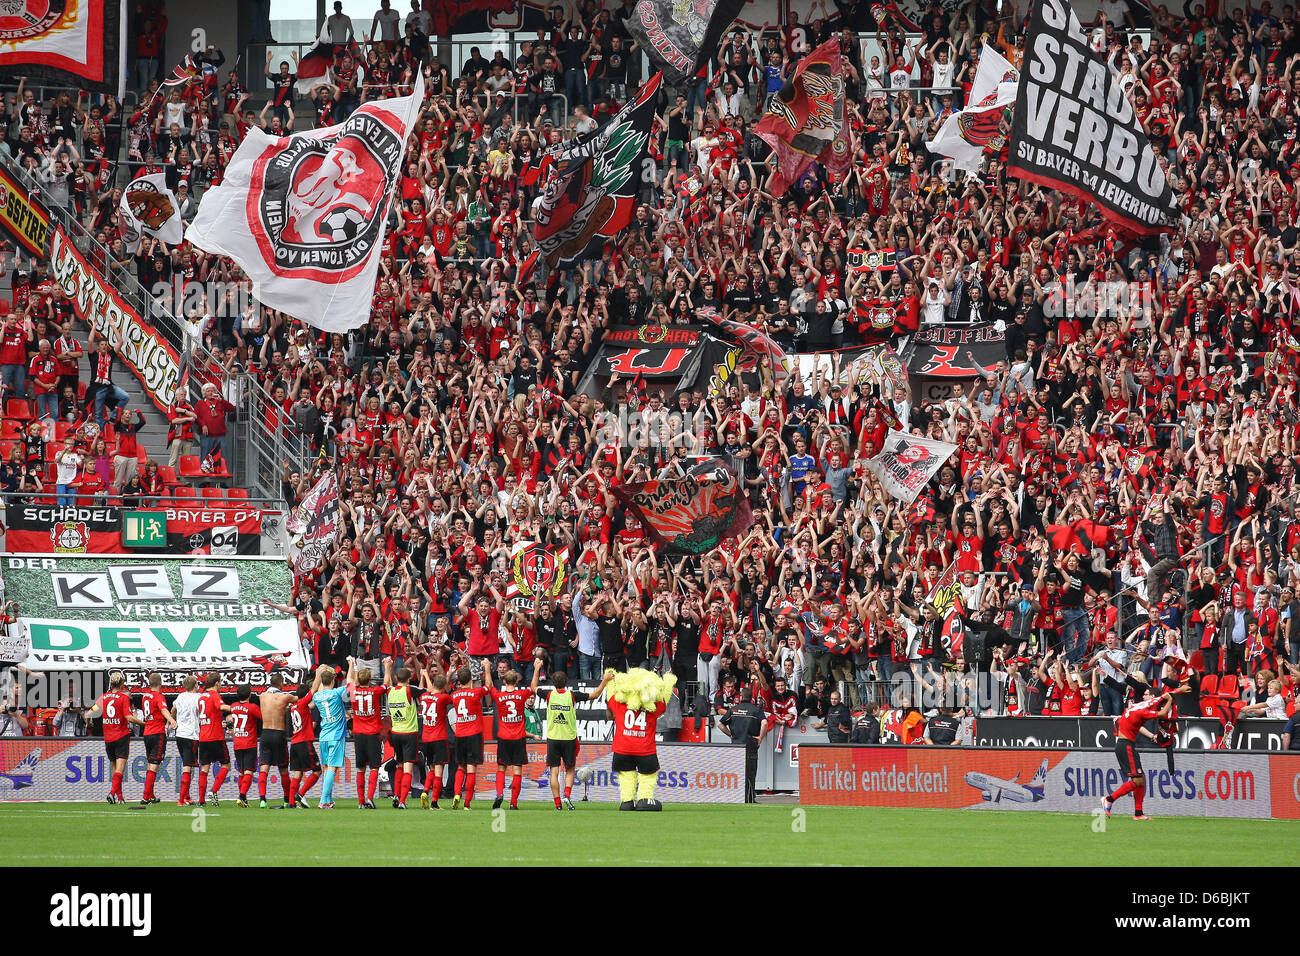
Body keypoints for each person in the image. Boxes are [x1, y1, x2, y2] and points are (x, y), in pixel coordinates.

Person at [531, 652, 610, 810]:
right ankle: (567, 794)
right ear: (566, 683)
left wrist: (537, 669)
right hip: (568, 738)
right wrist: (605, 680)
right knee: (570, 769)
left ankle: (557, 803)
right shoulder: (571, 695)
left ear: (553, 683)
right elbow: (595, 695)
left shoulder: (549, 695)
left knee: (554, 771)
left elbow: (533, 687)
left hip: (553, 738)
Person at [1103, 675, 1188, 820]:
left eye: (1146, 694)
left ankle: (1138, 813)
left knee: (1141, 778)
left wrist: (1176, 692)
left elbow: (1157, 699)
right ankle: (1109, 799)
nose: (1144, 696)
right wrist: (1170, 700)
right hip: (1126, 746)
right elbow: (1162, 712)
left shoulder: (1135, 706)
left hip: (1124, 745)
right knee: (1137, 780)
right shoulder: (1142, 711)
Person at [604, 668, 675, 811]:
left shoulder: (619, 705)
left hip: (622, 749)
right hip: (645, 750)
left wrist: (609, 680)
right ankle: (644, 799)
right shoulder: (653, 708)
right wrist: (668, 682)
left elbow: (610, 695)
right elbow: (664, 699)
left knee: (626, 776)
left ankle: (627, 801)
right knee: (647, 777)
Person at [84, 671, 144, 804]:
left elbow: (89, 713)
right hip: (121, 736)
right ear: (122, 683)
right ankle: (112, 793)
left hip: (108, 738)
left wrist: (89, 724)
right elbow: (129, 718)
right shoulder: (123, 698)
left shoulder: (104, 697)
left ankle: (120, 797)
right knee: (120, 769)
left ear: (111, 683)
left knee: (115, 769)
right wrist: (145, 723)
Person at [482, 658, 532, 810]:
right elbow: (534, 687)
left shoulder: (499, 696)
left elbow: (489, 686)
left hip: (503, 737)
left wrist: (487, 668)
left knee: (501, 768)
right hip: (518, 737)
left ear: (504, 682)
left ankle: (499, 793)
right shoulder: (522, 695)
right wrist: (536, 669)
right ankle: (513, 803)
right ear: (516, 682)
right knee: (517, 770)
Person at [346, 656, 388, 809]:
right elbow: (386, 684)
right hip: (372, 734)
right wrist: (388, 667)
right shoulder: (375, 691)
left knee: (360, 769)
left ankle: (360, 801)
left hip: (359, 735)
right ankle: (370, 797)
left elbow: (349, 680)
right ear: (369, 679)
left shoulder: (353, 691)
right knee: (374, 767)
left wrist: (351, 664)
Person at [311, 664, 349, 809]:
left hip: (323, 736)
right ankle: (322, 800)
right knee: (332, 768)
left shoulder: (317, 696)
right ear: (333, 681)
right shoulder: (337, 693)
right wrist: (351, 665)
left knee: (327, 768)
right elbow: (350, 683)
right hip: (336, 735)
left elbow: (319, 691)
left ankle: (328, 799)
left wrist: (319, 674)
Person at [720, 687, 766, 803]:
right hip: (750, 744)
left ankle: (735, 797)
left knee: (737, 772)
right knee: (750, 772)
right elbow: (765, 723)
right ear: (751, 698)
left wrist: (731, 735)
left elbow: (720, 724)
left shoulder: (734, 710)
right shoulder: (756, 710)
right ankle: (749, 798)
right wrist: (760, 737)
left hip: (736, 746)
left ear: (741, 697)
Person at [384, 657, 419, 808]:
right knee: (408, 767)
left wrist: (387, 668)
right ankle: (403, 801)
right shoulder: (410, 690)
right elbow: (430, 690)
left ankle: (396, 795)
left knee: (399, 764)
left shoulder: (390, 691)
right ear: (410, 678)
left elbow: (387, 682)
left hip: (395, 733)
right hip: (409, 733)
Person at [257, 673, 295, 808]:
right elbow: (300, 699)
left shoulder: (262, 696)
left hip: (265, 733)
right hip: (279, 734)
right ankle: (286, 800)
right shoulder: (285, 697)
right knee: (283, 769)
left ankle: (262, 799)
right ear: (281, 683)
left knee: (264, 767)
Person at [417, 668, 453, 809]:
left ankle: (425, 790)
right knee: (439, 770)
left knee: (431, 768)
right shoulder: (444, 698)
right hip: (439, 737)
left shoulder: (424, 697)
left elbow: (426, 690)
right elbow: (447, 694)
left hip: (426, 738)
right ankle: (434, 802)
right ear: (444, 687)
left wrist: (424, 675)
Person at [138, 673, 175, 805]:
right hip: (157, 732)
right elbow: (163, 709)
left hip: (147, 732)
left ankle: (151, 795)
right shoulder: (159, 696)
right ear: (160, 683)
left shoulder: (145, 697)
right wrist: (171, 720)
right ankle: (145, 796)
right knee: (154, 764)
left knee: (150, 763)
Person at [196, 673, 232, 806]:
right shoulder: (215, 695)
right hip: (216, 736)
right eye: (221, 682)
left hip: (203, 737)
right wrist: (238, 709)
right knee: (226, 765)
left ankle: (201, 800)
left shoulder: (201, 697)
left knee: (204, 768)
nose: (221, 684)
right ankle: (214, 790)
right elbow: (221, 707)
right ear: (216, 683)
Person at [287, 678, 322, 808]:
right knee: (317, 771)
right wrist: (318, 674)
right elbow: (313, 690)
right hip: (304, 742)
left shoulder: (294, 707)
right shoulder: (302, 704)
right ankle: (300, 794)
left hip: (295, 743)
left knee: (298, 772)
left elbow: (311, 705)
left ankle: (291, 802)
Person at [229, 684, 262, 808]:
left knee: (242, 772)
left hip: (237, 743)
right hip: (249, 743)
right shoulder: (252, 707)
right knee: (249, 771)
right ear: (249, 695)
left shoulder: (233, 706)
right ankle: (242, 796)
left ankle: (244, 798)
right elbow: (262, 716)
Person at [172, 675, 202, 807]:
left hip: (179, 734)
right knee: (187, 767)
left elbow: (173, 709)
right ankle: (180, 800)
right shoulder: (198, 697)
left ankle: (187, 797)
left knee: (187, 764)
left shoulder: (180, 696)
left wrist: (173, 721)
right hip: (191, 735)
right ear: (195, 685)